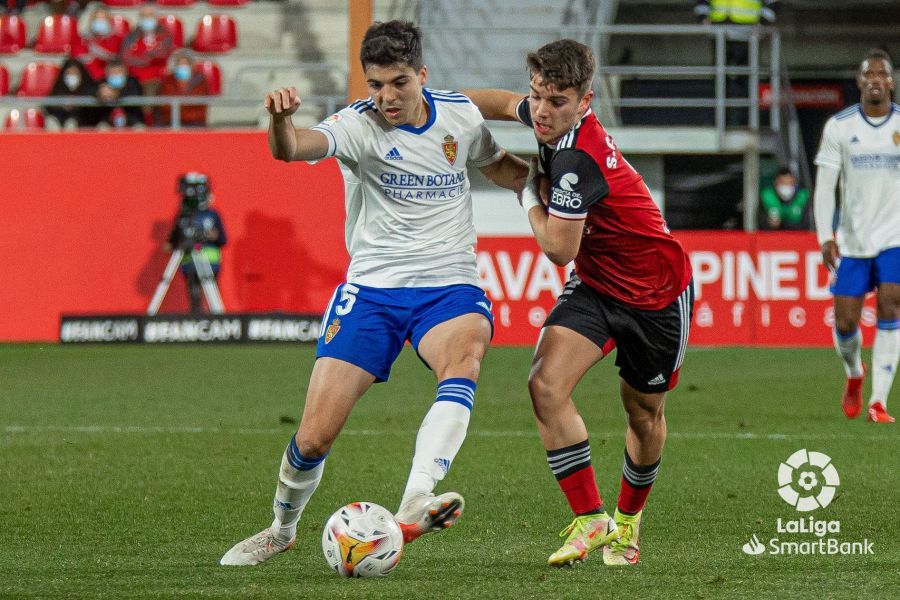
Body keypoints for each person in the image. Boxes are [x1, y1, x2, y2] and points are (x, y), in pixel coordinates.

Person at [219, 20, 527, 566]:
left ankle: (415, 499)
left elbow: (499, 162)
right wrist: (280, 121)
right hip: (373, 291)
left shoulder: (457, 114)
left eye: (399, 83)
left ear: (422, 77)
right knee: (313, 437)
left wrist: (552, 179)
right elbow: (293, 148)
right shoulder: (357, 126)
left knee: (465, 359)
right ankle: (281, 528)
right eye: (376, 83)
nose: (386, 96)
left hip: (449, 284)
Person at [465, 39, 693, 567]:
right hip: (597, 285)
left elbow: (556, 248)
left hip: (656, 294)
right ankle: (592, 519)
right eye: (538, 95)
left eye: (557, 101)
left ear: (585, 101)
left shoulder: (577, 160)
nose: (542, 111)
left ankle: (629, 522)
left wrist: (525, 191)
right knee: (545, 384)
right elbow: (498, 103)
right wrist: (431, 106)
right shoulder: (546, 116)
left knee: (642, 414)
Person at [813, 49, 899, 424]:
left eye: (883, 73)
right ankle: (854, 374)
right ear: (860, 81)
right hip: (852, 241)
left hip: (894, 237)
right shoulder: (840, 127)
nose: (876, 79)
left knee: (891, 306)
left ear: (891, 81)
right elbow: (824, 186)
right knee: (846, 323)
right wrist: (824, 236)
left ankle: (878, 401)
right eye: (870, 74)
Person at [694, 0, 777, 126]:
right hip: (719, 33)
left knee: (747, 82)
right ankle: (720, 123)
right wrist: (703, 18)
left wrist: (763, 22)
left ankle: (748, 123)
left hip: (748, 34)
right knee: (720, 81)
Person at [164, 173, 226, 314]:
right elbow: (175, 236)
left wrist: (212, 235)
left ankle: (217, 321)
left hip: (210, 263)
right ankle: (195, 317)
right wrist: (172, 243)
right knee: (194, 292)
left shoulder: (212, 215)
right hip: (189, 263)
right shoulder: (183, 216)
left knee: (211, 291)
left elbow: (223, 238)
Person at [120, 4, 175, 97]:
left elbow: (163, 54)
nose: (147, 18)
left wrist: (140, 56)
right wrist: (149, 58)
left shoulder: (165, 36)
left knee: (152, 87)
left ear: (156, 17)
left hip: (157, 79)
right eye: (144, 15)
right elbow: (126, 57)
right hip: (134, 79)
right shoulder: (131, 36)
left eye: (150, 15)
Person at [155, 50, 209, 128]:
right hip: (170, 123)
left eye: (185, 64)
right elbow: (165, 104)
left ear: (191, 65)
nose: (182, 66)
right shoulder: (168, 80)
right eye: (179, 64)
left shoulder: (200, 81)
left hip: (195, 123)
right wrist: (185, 103)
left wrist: (177, 104)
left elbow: (198, 103)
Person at [44, 58, 101, 130]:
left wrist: (76, 105)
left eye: (75, 73)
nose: (72, 76)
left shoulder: (89, 90)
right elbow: (48, 108)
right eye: (69, 73)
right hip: (61, 126)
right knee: (51, 121)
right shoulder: (58, 90)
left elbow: (94, 111)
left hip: (83, 128)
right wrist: (60, 105)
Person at [72, 7, 124, 81]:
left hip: (108, 80)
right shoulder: (81, 39)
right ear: (91, 21)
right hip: (84, 80)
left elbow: (116, 59)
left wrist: (98, 53)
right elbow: (77, 57)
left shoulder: (117, 39)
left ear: (109, 21)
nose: (100, 21)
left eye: (103, 18)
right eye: (96, 18)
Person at [96, 60, 144, 128]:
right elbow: (92, 94)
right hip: (108, 120)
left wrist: (116, 93)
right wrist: (99, 94)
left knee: (140, 129)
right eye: (113, 72)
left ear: (125, 73)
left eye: (119, 72)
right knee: (101, 128)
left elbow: (136, 94)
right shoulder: (102, 83)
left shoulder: (133, 82)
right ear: (106, 74)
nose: (116, 75)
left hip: (132, 119)